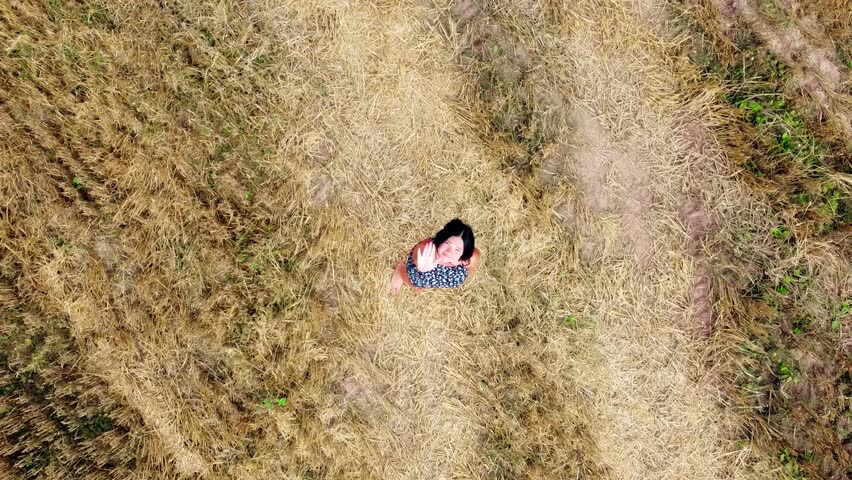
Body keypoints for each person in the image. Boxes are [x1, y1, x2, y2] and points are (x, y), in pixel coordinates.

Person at [389, 218, 481, 294]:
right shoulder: (428, 249)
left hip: (438, 280)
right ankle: (400, 270)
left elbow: (471, 268)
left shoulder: (469, 258)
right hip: (420, 274)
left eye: (457, 250)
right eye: (447, 243)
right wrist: (421, 268)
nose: (449, 252)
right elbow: (419, 252)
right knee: (417, 288)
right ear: (441, 240)